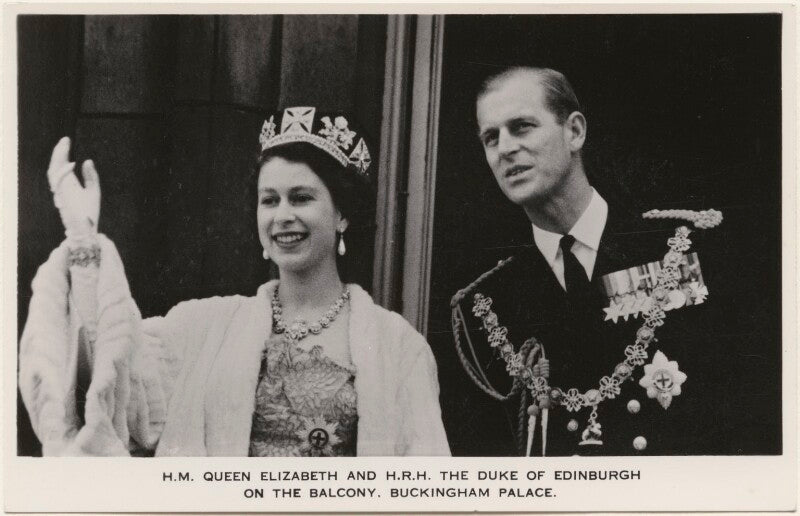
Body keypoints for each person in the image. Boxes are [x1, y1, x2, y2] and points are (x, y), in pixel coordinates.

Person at [19, 106, 450, 457]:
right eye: (269, 200)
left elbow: (425, 485)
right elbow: (115, 389)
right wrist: (83, 246)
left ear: (342, 215)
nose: (283, 216)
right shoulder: (200, 328)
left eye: (301, 198)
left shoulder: (398, 347)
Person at [451, 66, 727, 456]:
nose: (505, 148)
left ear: (575, 132)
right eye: (490, 137)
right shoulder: (484, 304)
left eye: (522, 126)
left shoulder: (677, 249)